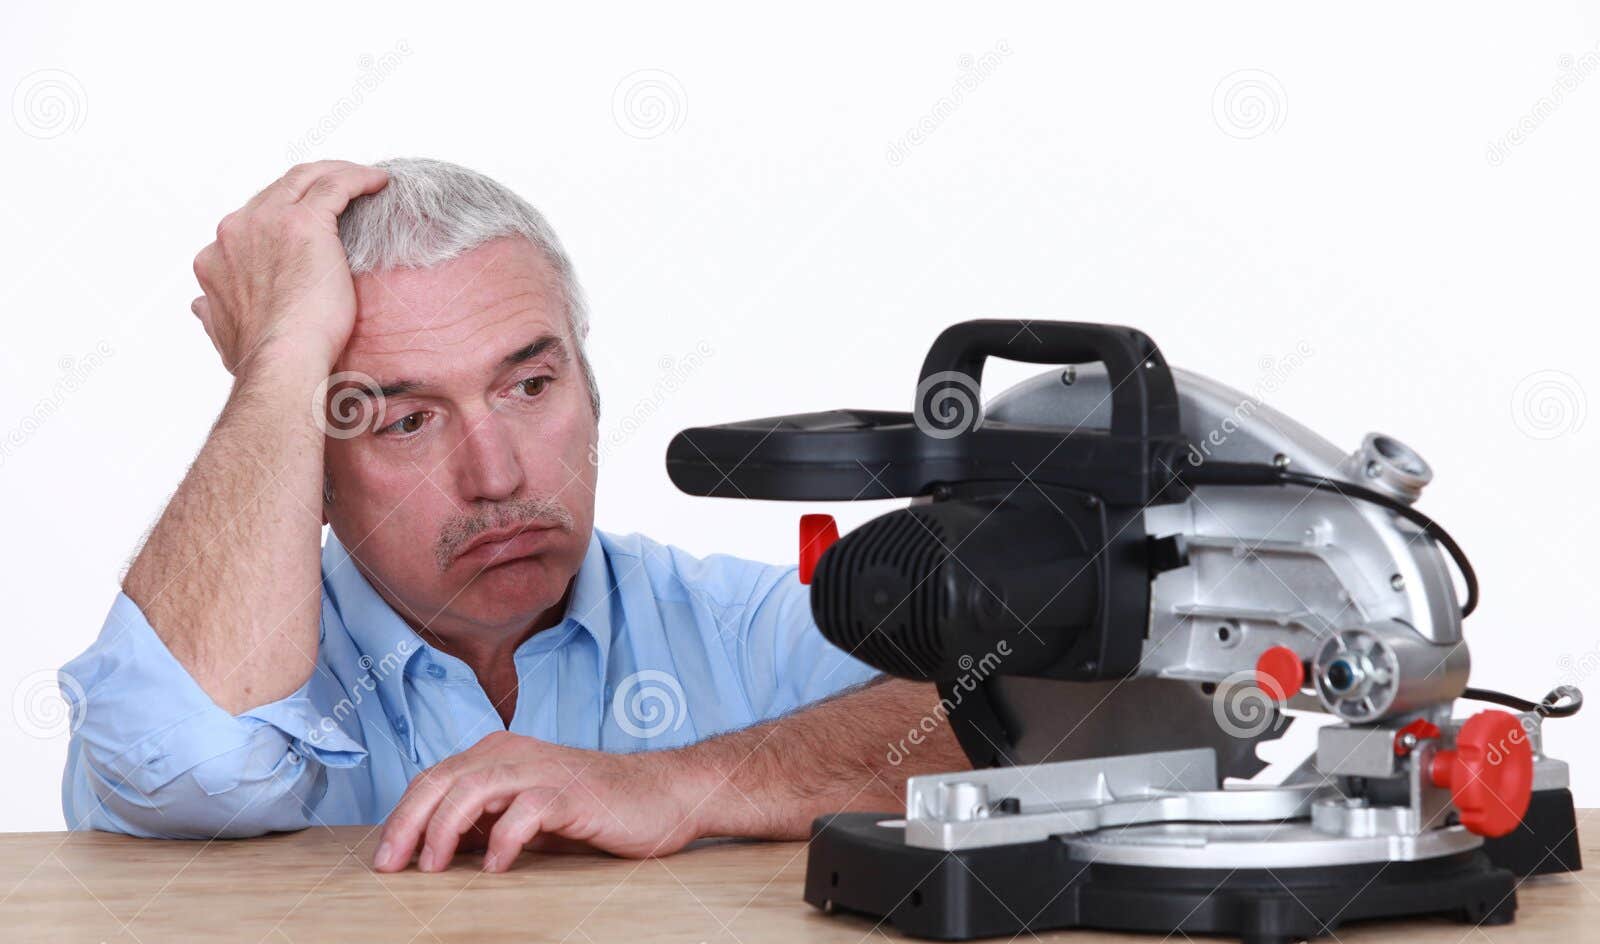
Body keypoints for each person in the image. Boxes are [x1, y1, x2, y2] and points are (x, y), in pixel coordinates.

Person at [59, 158, 967, 873]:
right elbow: (186, 762)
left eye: (531, 385)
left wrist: (678, 785)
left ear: (594, 392)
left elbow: (1047, 718)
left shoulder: (738, 629)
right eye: (406, 419)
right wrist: (284, 350)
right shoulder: (229, 675)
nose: (495, 476)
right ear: (316, 473)